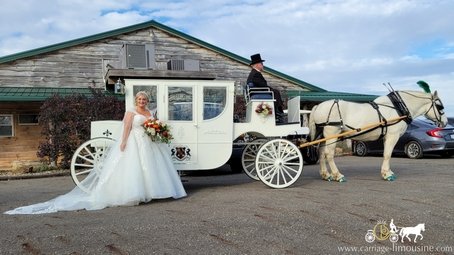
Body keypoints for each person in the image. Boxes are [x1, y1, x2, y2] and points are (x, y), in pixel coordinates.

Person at [4, 91, 186, 215]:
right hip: (134, 141)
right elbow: (127, 127)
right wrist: (123, 142)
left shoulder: (149, 112)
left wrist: (155, 130)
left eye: (144, 100)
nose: (142, 102)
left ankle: (154, 192)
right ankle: (135, 193)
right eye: (139, 100)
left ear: (147, 101)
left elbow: (152, 126)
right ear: (135, 100)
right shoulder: (131, 111)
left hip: (149, 142)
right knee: (134, 168)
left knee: (152, 167)